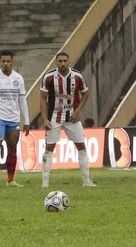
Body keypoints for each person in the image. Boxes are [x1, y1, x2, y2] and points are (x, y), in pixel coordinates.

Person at [39, 51, 95, 188]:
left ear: (69, 62)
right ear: (56, 62)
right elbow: (42, 98)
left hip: (72, 117)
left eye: (65, 61)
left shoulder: (77, 76)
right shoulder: (48, 77)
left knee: (81, 146)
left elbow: (86, 94)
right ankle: (45, 183)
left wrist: (77, 110)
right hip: (54, 117)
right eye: (60, 61)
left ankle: (87, 181)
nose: (62, 64)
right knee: (49, 148)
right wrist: (45, 119)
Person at [0, 50, 29, 187]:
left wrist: (26, 120)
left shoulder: (18, 79)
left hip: (14, 119)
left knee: (12, 148)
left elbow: (22, 101)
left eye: (8, 61)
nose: (6, 64)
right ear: (0, 62)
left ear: (12, 62)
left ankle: (10, 180)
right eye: (3, 61)